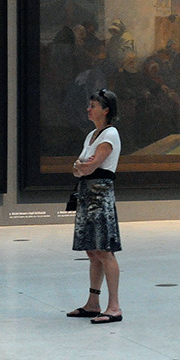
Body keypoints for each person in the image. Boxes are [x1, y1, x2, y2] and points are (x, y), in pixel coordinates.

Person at [67, 89, 123, 324]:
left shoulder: (110, 134)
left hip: (99, 196)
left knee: (104, 250)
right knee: (92, 251)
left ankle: (114, 307)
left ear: (106, 110)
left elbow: (89, 166)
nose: (89, 109)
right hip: (87, 195)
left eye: (93, 106)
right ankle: (93, 303)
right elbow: (78, 167)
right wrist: (81, 167)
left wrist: (82, 166)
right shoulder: (92, 135)